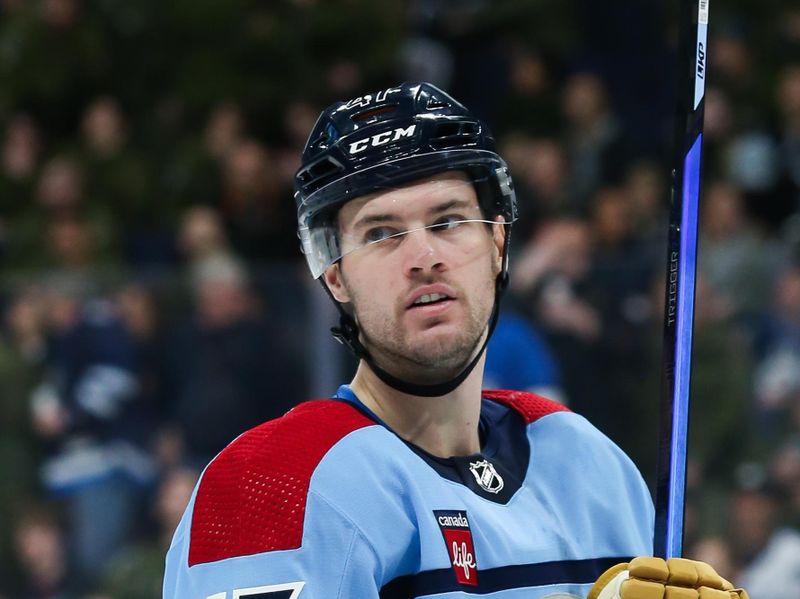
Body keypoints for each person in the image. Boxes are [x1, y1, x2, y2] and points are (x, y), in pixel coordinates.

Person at [163, 82, 748, 598]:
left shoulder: (587, 465)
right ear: (335, 274)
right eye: (382, 233)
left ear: (497, 242)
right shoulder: (272, 484)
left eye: (447, 222)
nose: (424, 257)